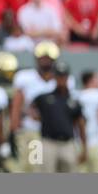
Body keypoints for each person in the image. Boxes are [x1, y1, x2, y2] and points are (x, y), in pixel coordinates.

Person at [10, 41, 60, 171]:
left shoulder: (61, 80)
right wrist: (14, 129)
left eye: (48, 58)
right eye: (42, 58)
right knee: (34, 166)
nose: (45, 61)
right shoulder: (25, 78)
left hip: (54, 133)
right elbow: (17, 105)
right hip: (34, 132)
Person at [31, 61, 86, 172]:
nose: (61, 78)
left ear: (67, 77)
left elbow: (80, 124)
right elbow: (30, 108)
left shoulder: (74, 100)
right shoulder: (44, 98)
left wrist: (84, 147)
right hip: (48, 142)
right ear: (54, 77)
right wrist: (37, 117)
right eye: (59, 75)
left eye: (63, 76)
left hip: (68, 143)